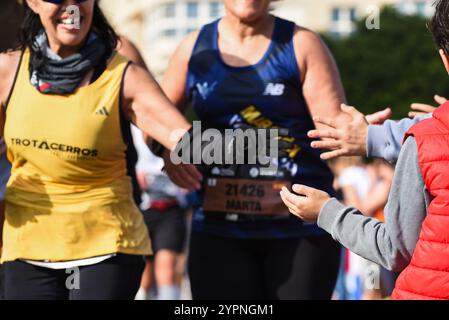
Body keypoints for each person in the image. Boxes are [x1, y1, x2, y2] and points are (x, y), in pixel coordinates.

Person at [0, 0, 194, 300]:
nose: (72, 6)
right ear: (33, 3)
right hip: (27, 242)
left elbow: (181, 135)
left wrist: (268, 150)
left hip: (105, 241)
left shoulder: (121, 67)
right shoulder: (8, 71)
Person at [161, 0, 351, 299]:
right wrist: (168, 150)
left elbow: (335, 129)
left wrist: (368, 132)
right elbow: (155, 120)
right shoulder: (192, 48)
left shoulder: (301, 44)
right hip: (218, 230)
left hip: (298, 228)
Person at [280, 0, 449, 300]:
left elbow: (394, 250)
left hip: (387, 258)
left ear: (444, 60)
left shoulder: (425, 140)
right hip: (371, 241)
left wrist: (326, 211)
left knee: (369, 290)